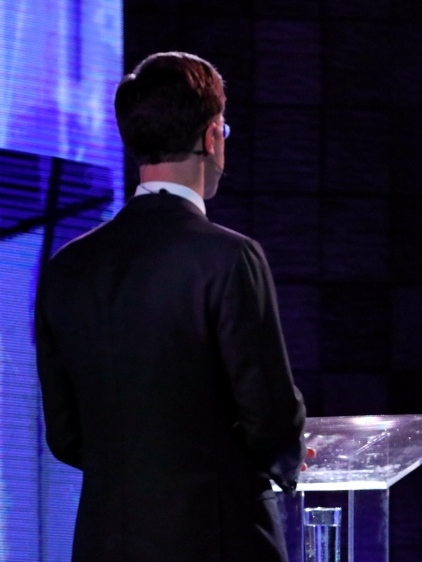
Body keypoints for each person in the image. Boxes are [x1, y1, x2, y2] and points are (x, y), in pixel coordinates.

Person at [34, 52, 307, 562]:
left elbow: (66, 435)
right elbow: (269, 420)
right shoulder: (229, 257)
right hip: (218, 540)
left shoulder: (67, 268)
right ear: (212, 136)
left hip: (104, 543)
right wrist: (286, 460)